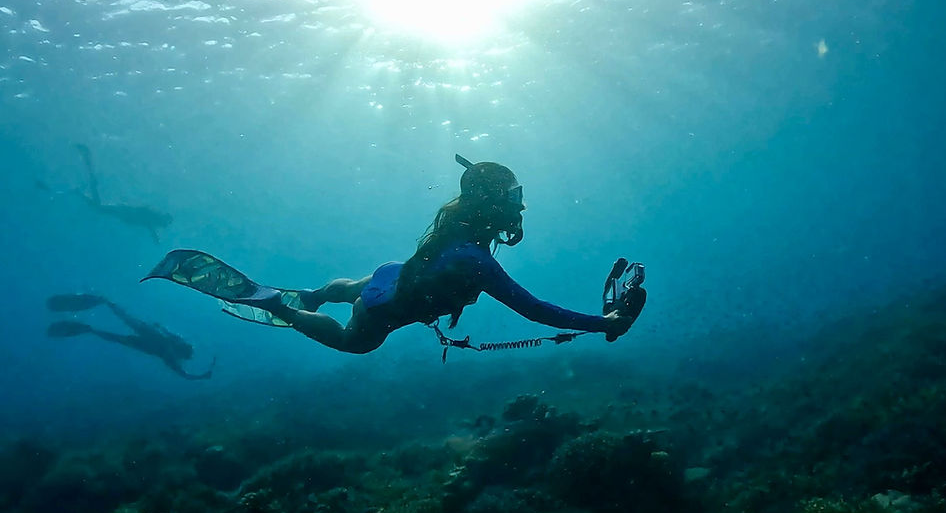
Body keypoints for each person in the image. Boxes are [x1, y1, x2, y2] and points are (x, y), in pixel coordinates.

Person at [145, 155, 638, 354]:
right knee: (354, 344)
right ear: (492, 202)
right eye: (512, 195)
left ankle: (317, 293)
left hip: (392, 275)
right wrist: (605, 322)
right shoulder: (476, 260)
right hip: (382, 306)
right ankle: (279, 304)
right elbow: (534, 309)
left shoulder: (456, 230)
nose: (519, 203)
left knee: (367, 281)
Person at [46, 293, 214, 380]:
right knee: (119, 327)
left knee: (121, 323)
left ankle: (99, 309)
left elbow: (183, 372)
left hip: (144, 337)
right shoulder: (173, 354)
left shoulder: (172, 354)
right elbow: (184, 374)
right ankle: (95, 319)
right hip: (145, 338)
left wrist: (200, 376)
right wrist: (200, 376)